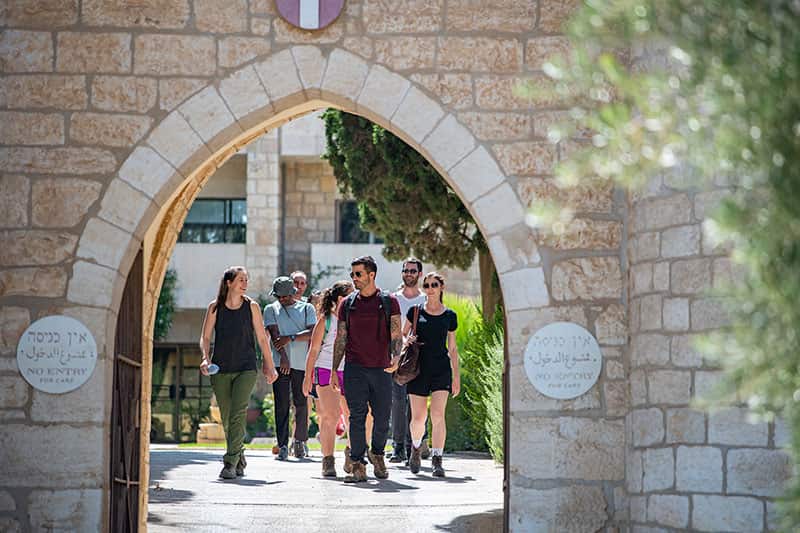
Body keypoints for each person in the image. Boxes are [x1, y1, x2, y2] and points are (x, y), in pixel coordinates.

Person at [200, 266, 278, 479]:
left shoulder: (251, 306)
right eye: (241, 279)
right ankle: (239, 454)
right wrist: (205, 358)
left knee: (237, 413)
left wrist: (269, 365)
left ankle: (229, 463)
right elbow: (205, 337)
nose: (245, 283)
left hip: (246, 367)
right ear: (229, 283)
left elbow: (262, 338)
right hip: (220, 368)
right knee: (226, 417)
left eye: (246, 279)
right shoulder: (215, 308)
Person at [331, 256, 403, 483]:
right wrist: (334, 368)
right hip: (355, 368)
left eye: (358, 274)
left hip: (382, 369)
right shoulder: (347, 304)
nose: (354, 278)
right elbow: (341, 337)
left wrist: (396, 357)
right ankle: (358, 463)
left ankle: (378, 454)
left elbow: (396, 334)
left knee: (382, 417)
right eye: (352, 274)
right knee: (357, 416)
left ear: (372, 275)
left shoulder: (389, 301)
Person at [404, 272, 460, 477]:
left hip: (441, 370)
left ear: (441, 287)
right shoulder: (415, 311)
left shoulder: (450, 316)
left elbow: (452, 349)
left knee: (437, 415)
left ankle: (437, 459)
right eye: (426, 285)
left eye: (434, 284)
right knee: (419, 418)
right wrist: (405, 341)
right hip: (418, 369)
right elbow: (402, 336)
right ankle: (416, 448)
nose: (430, 288)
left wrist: (456, 377)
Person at [302, 280, 354, 477]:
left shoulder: (355, 319)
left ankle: (351, 454)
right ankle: (328, 459)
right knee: (329, 416)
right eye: (350, 295)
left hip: (350, 371)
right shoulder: (326, 320)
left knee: (354, 416)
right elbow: (313, 350)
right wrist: (307, 378)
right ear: (340, 298)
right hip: (325, 368)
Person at [264, 276, 317, 460]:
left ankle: (300, 441)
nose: (281, 300)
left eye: (284, 296)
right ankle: (282, 445)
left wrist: (292, 337)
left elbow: (312, 332)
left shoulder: (307, 308)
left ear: (292, 294)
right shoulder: (271, 309)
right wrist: (283, 358)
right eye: (278, 296)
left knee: (302, 404)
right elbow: (275, 336)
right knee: (281, 405)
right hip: (280, 364)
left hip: (302, 364)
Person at [389, 258, 428, 464]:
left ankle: (416, 443)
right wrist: (404, 343)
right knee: (397, 402)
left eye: (413, 271)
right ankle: (397, 447)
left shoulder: (425, 299)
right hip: (399, 357)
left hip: (422, 358)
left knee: (418, 403)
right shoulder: (394, 299)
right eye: (405, 270)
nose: (409, 273)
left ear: (419, 274)